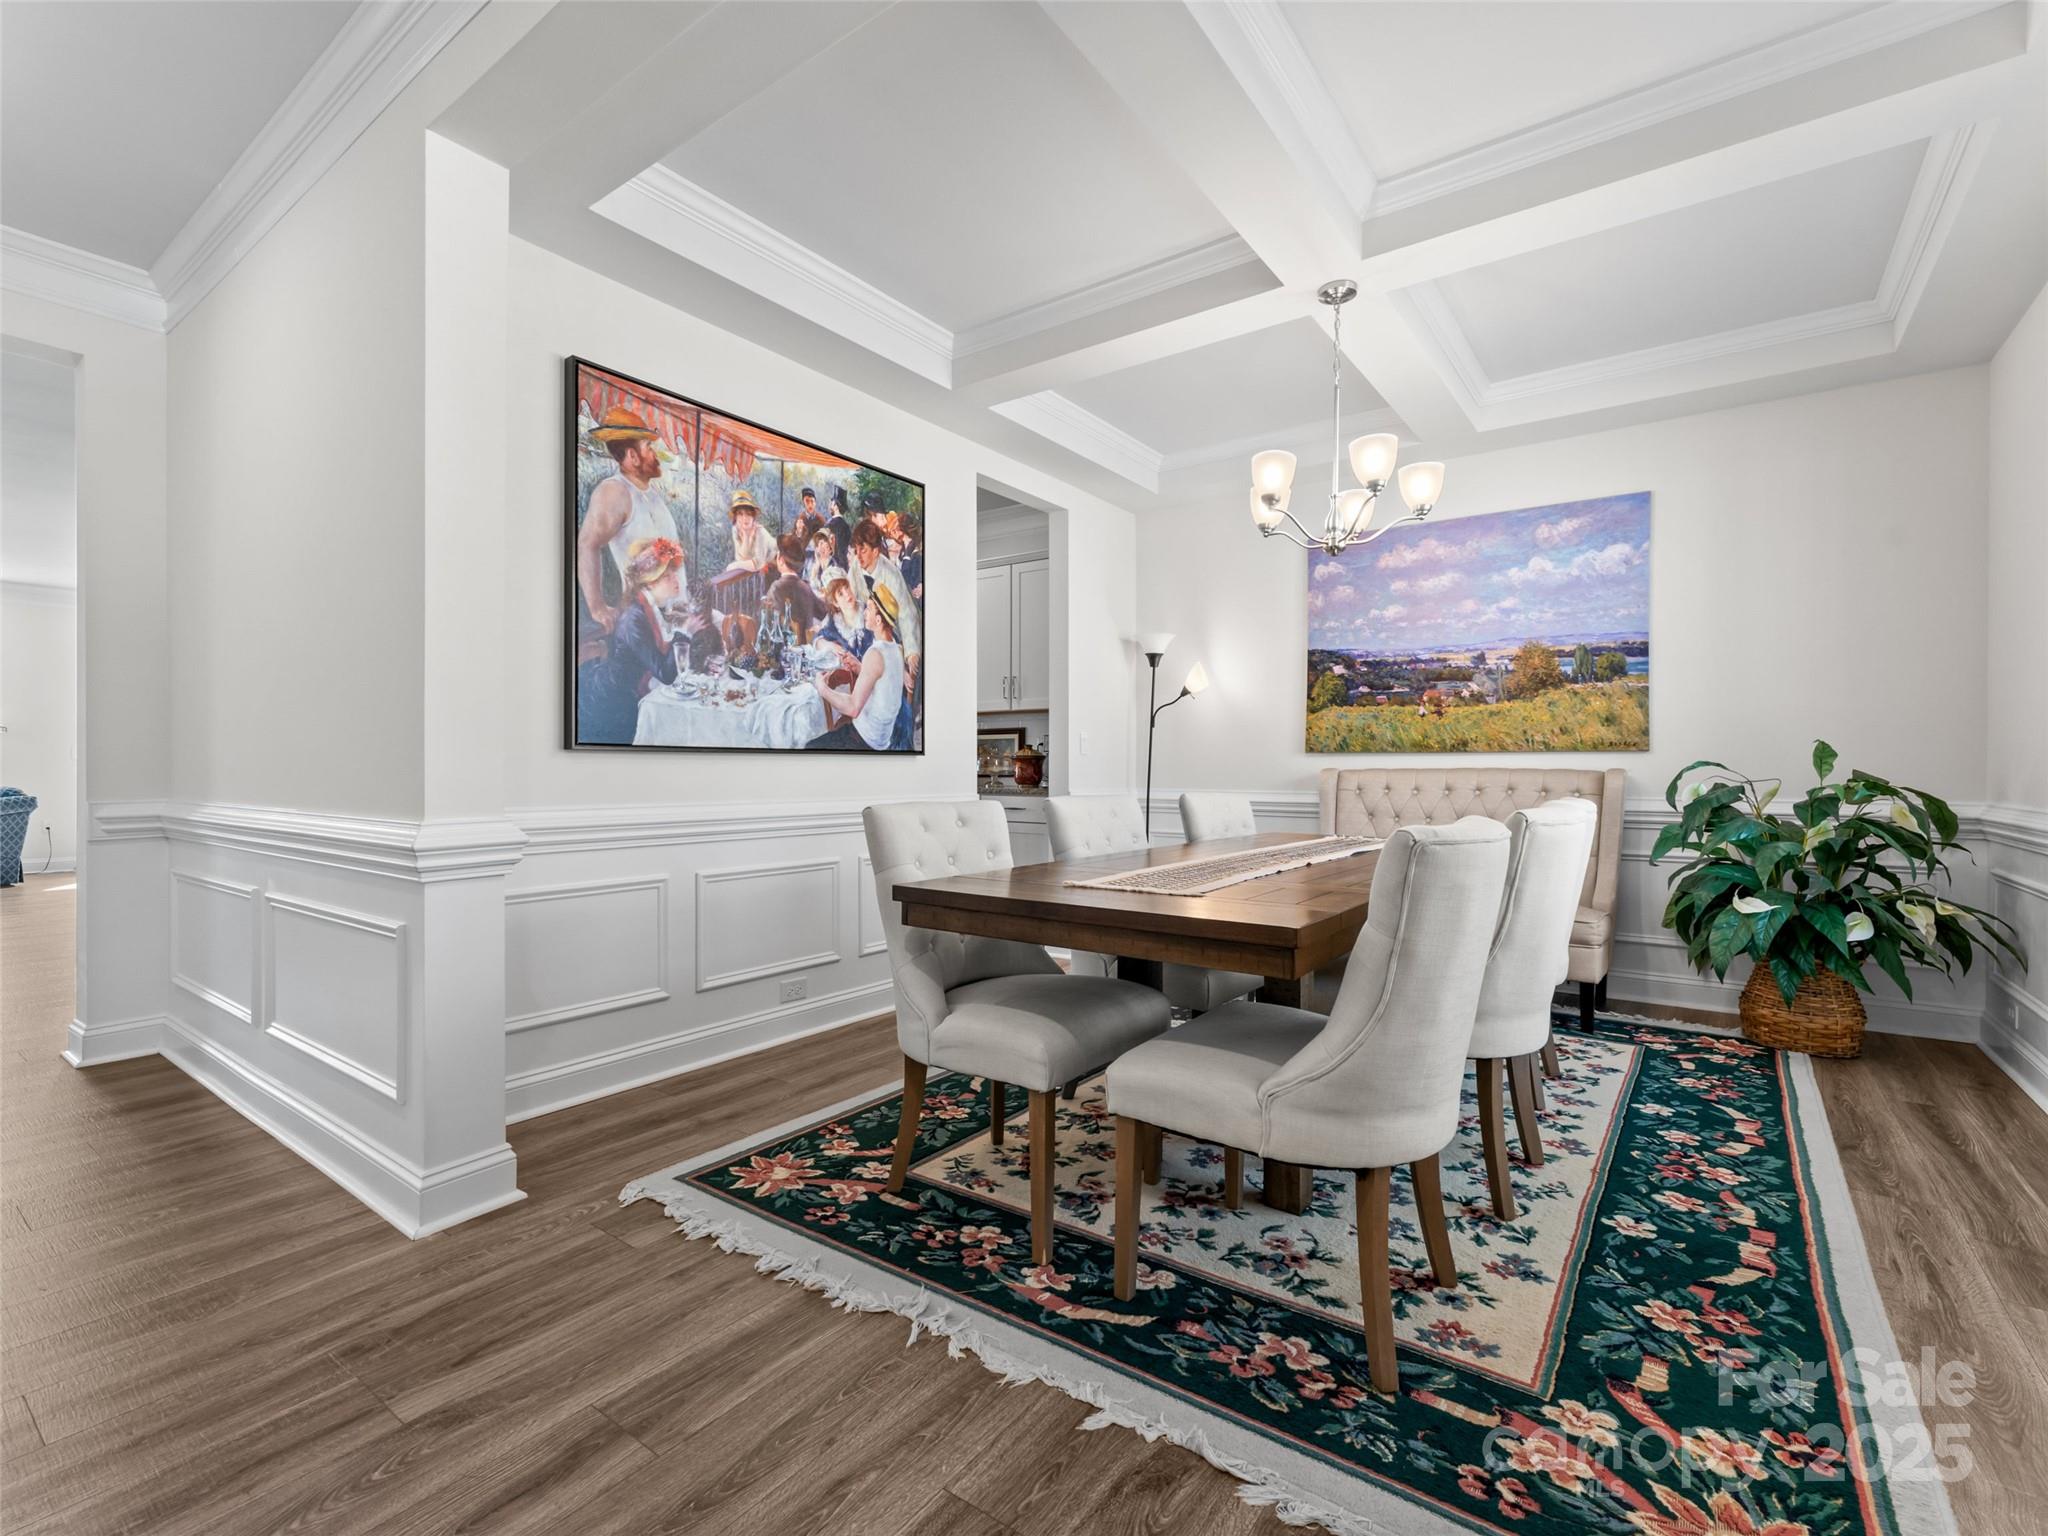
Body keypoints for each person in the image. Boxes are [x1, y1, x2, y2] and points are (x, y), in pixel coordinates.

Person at [576, 408, 681, 634]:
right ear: (633, 456)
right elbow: (587, 544)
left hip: (673, 616)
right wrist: (597, 607)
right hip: (646, 620)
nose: (655, 455)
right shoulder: (614, 491)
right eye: (649, 448)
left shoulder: (651, 493)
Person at [577, 537, 686, 744]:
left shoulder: (653, 609)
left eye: (674, 574)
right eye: (668, 576)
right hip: (612, 702)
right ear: (651, 582)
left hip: (629, 693)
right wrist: (685, 632)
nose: (676, 581)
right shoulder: (634, 618)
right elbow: (666, 673)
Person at [809, 584, 905, 751]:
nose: (864, 613)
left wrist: (822, 688)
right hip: (883, 738)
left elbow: (853, 708)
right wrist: (861, 668)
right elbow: (882, 679)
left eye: (868, 609)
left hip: (865, 739)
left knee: (809, 746)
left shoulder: (875, 653)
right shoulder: (896, 649)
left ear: (878, 620)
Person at [763, 532, 831, 643]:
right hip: (806, 649)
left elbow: (767, 622)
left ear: (780, 559)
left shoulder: (775, 588)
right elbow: (825, 612)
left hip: (783, 649)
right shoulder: (805, 587)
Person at [819, 575, 871, 661]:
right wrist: (831, 646)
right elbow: (818, 639)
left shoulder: (868, 611)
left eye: (847, 587)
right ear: (836, 603)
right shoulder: (835, 621)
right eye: (840, 593)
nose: (847, 594)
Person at [727, 489, 776, 571]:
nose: (744, 518)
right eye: (740, 514)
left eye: (748, 514)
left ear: (753, 517)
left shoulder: (760, 532)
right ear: (735, 517)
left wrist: (732, 567)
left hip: (778, 563)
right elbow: (741, 558)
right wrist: (746, 536)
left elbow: (759, 564)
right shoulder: (736, 529)